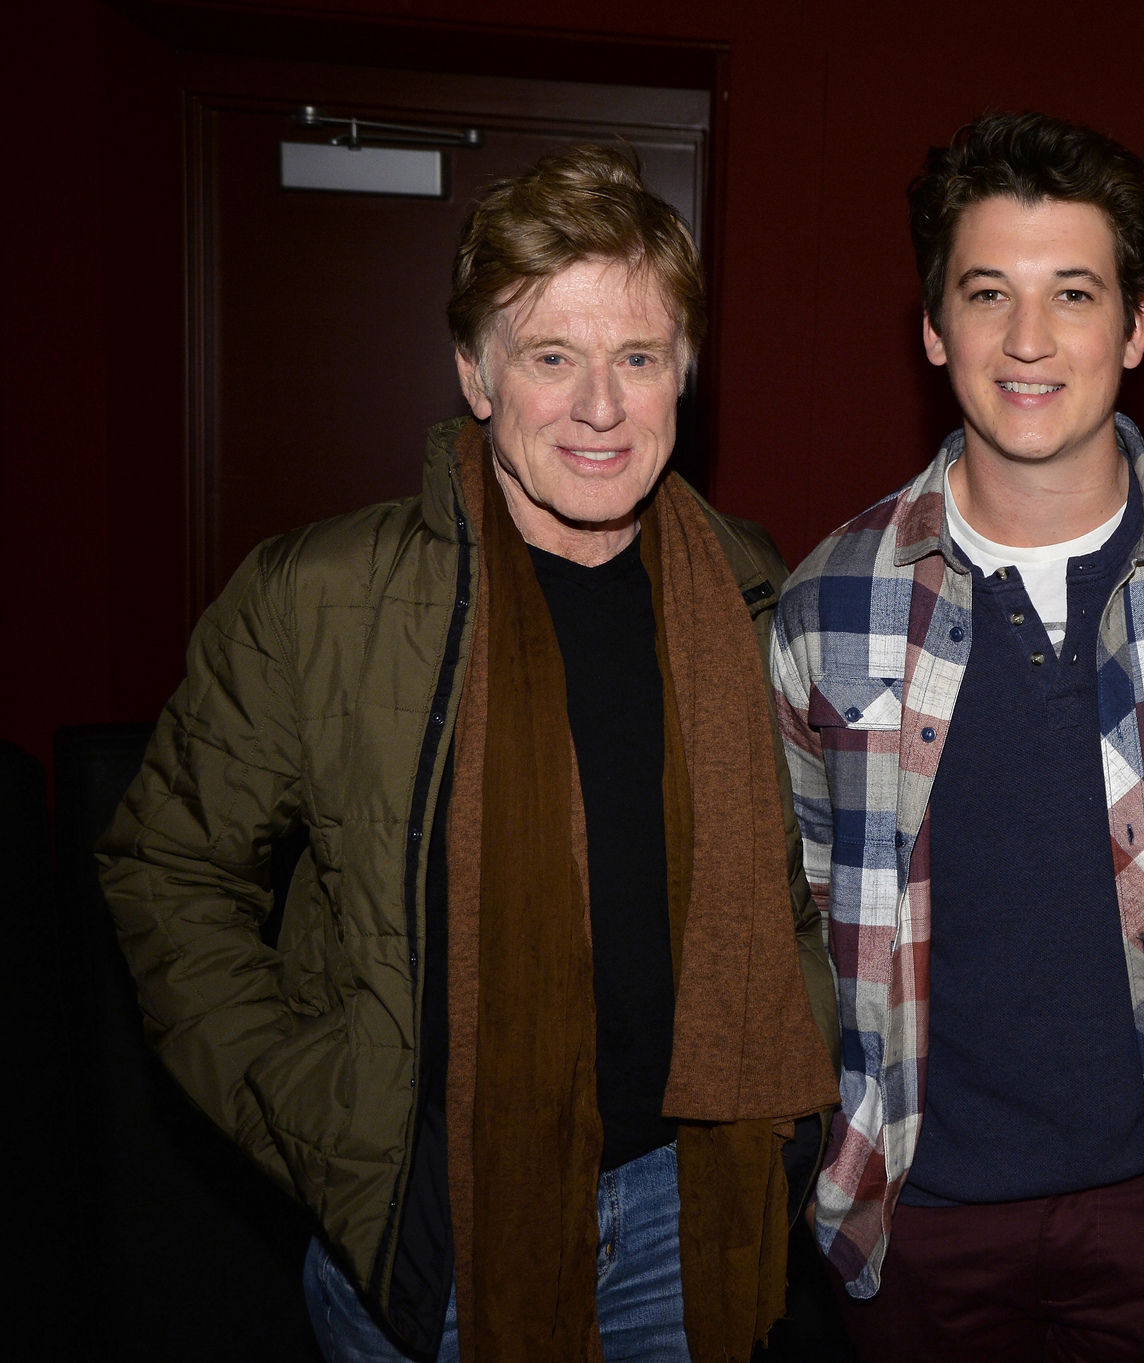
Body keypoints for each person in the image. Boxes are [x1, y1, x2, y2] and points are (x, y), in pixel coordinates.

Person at [98, 144, 838, 1363]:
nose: (599, 406)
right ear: (475, 373)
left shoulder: (757, 595)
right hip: (434, 1232)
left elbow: (803, 895)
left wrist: (793, 1110)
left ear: (681, 378)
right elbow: (166, 871)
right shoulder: (314, 599)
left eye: (637, 358)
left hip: (691, 1217)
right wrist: (321, 1109)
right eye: (552, 356)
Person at [770, 112, 1144, 1361]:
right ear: (931, 326)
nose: (1028, 340)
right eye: (986, 294)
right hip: (918, 1220)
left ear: (1132, 327)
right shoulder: (825, 602)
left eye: (1072, 293)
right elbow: (797, 907)